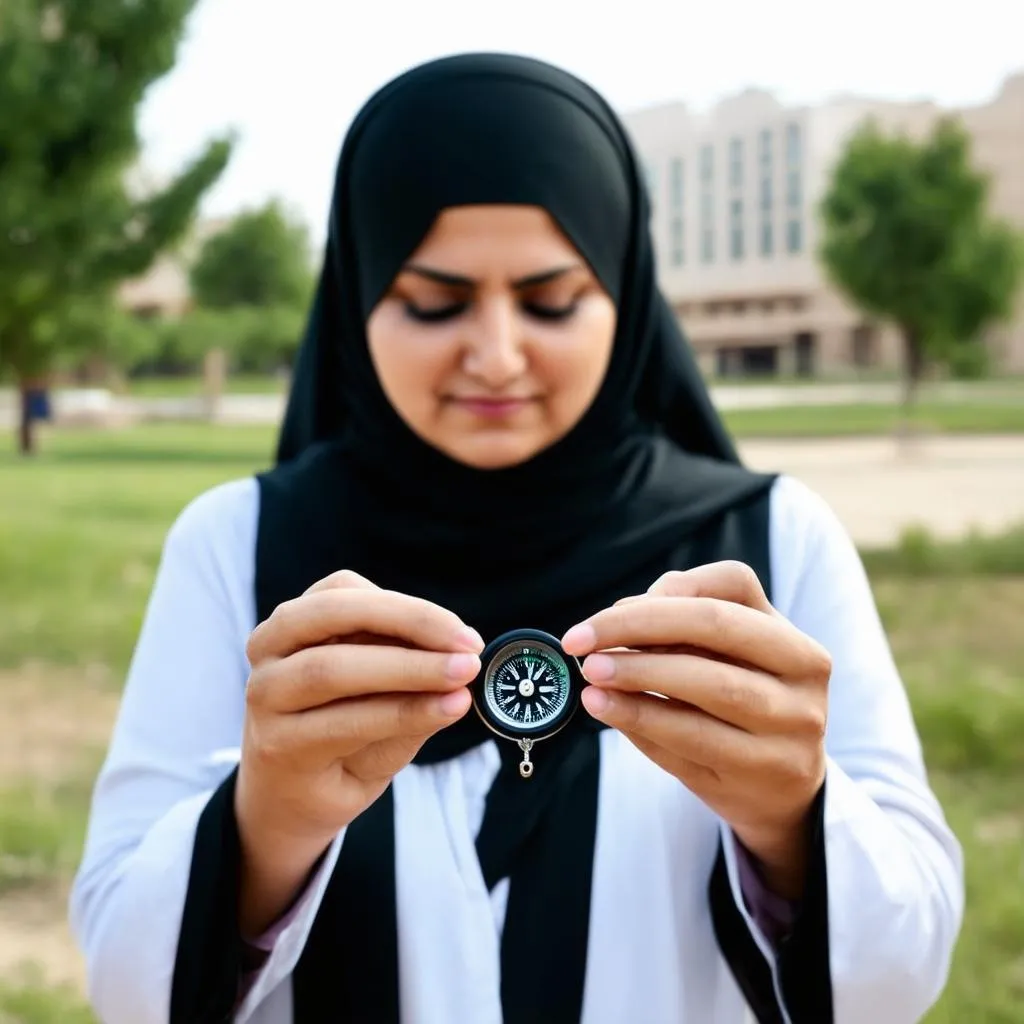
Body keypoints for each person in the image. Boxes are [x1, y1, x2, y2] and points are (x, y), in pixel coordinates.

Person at [69, 53, 963, 1024]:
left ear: (623, 292)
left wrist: (794, 817)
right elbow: (127, 984)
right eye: (433, 302)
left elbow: (898, 977)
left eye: (549, 301)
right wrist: (264, 824)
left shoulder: (767, 541)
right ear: (358, 292)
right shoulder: (243, 546)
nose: (495, 355)